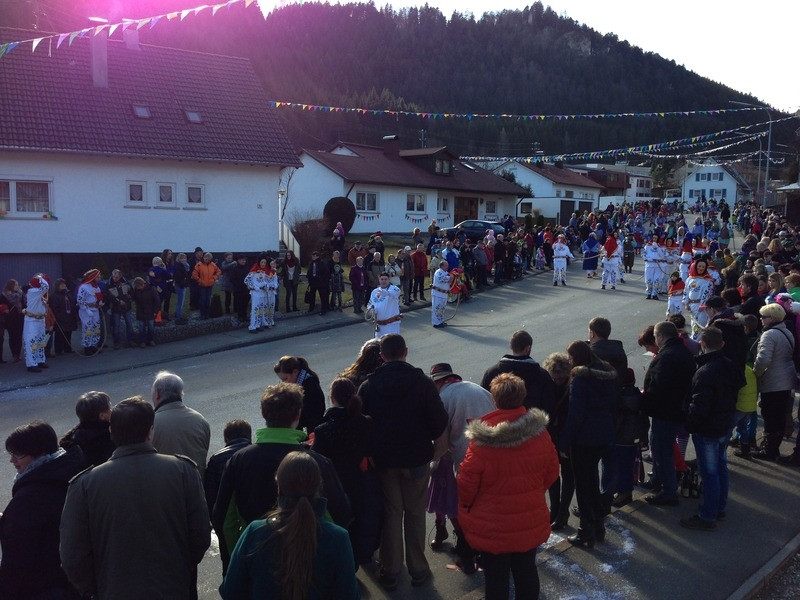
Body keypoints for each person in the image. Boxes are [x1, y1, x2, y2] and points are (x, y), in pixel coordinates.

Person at [60, 397, 211, 599]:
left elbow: (72, 555)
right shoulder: (183, 471)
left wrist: (97, 588)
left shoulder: (85, 484)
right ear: (150, 431)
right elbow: (200, 534)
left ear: (111, 431)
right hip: (172, 587)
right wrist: (180, 570)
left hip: (114, 590)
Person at [211, 382, 351, 567]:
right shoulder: (317, 461)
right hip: (309, 557)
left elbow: (224, 518)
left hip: (256, 557)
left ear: (263, 414)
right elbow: (340, 513)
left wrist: (240, 554)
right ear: (298, 415)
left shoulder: (238, 460)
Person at [357, 334, 448, 589]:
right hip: (417, 460)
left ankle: (391, 569)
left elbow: (362, 425)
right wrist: (435, 452)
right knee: (416, 514)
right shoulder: (423, 383)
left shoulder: (369, 386)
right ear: (405, 352)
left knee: (392, 513)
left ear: (382, 356)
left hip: (384, 462)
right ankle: (418, 569)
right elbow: (439, 422)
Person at [458, 373, 559, 600]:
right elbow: (552, 472)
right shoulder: (540, 434)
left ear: (495, 400)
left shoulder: (482, 441)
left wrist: (468, 507)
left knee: (496, 577)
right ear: (522, 397)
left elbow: (466, 484)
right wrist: (533, 491)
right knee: (527, 571)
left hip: (492, 522)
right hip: (529, 517)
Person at [219, 452, 359, 600]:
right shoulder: (338, 538)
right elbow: (349, 595)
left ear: (279, 489)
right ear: (319, 487)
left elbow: (230, 592)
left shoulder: (256, 532)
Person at [0, 421, 85, 599]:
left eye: (18, 454)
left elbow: (17, 561)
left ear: (39, 452)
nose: (12, 460)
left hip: (43, 588)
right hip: (77, 583)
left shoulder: (29, 499)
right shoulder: (74, 472)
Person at [427, 362, 494, 573]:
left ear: (438, 382)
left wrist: (431, 462)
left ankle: (468, 556)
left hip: (466, 459)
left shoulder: (443, 398)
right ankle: (485, 554)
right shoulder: (479, 390)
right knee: (485, 507)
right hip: (492, 454)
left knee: (465, 508)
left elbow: (441, 441)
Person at [313, 377, 380, 566]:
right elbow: (371, 450)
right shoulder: (365, 422)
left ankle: (346, 561)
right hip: (361, 480)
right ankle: (362, 556)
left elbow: (318, 460)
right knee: (362, 520)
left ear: (332, 398)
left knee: (341, 523)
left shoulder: (323, 429)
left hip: (335, 484)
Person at [681, 327, 741, 531]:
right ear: (722, 344)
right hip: (724, 423)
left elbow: (699, 405)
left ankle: (708, 516)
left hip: (708, 428)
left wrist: (690, 424)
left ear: (703, 344)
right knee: (720, 467)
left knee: (709, 473)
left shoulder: (705, 371)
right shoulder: (729, 365)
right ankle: (719, 507)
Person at [558, 341, 617, 548]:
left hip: (584, 439)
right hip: (604, 434)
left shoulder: (580, 379)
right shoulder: (607, 375)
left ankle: (586, 531)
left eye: (570, 357)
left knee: (583, 485)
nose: (569, 361)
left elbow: (575, 414)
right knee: (592, 481)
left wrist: (564, 442)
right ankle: (598, 526)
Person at [640, 321, 696, 506]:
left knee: (662, 451)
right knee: (659, 446)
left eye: (656, 336)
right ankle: (658, 481)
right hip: (675, 408)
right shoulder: (683, 352)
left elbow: (659, 386)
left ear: (661, 336)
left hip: (666, 411)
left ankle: (668, 491)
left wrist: (645, 399)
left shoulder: (667, 356)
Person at [204, 419, 252, 572]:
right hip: (250, 517)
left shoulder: (216, 459)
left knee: (229, 563)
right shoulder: (254, 454)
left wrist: (215, 522)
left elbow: (210, 495)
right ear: (249, 436)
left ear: (226, 438)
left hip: (224, 519)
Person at [752, 303, 796, 460]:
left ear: (772, 318)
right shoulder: (786, 331)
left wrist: (755, 373)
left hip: (773, 380)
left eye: (763, 317)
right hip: (786, 378)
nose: (761, 319)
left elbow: (763, 360)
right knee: (779, 415)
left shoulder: (769, 335)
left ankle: (769, 450)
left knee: (770, 416)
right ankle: (772, 447)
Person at [151, 371, 211, 479]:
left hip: (166, 485)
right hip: (197, 484)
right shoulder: (200, 420)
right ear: (180, 392)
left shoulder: (150, 424)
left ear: (157, 393)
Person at [481, 329, 556, 414]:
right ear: (527, 348)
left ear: (511, 346)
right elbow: (549, 408)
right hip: (531, 421)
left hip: (498, 421)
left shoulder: (492, 373)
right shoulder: (542, 375)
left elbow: (483, 401)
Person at [59, 391, 115, 467]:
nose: (112, 410)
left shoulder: (72, 438)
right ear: (102, 416)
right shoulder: (110, 438)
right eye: (110, 408)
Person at [273, 355, 326, 432]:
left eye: (286, 379)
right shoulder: (299, 382)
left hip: (313, 426)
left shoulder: (310, 386)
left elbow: (314, 415)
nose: (284, 383)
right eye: (282, 380)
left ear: (295, 372)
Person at [22, 274, 50, 372]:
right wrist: (40, 278)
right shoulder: (33, 291)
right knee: (32, 341)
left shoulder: (39, 293)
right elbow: (46, 287)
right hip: (32, 321)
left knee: (41, 341)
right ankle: (31, 364)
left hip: (40, 320)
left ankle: (40, 360)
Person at [684, 258, 716, 340]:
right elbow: (686, 291)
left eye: (703, 267)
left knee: (698, 327)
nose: (701, 268)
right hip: (691, 305)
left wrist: (702, 305)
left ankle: (695, 343)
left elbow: (707, 294)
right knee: (693, 325)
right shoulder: (689, 279)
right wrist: (686, 303)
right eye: (699, 266)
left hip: (700, 307)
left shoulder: (707, 281)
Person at [104, 269, 135, 349]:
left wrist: (130, 297)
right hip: (115, 308)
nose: (115, 278)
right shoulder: (108, 285)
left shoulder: (126, 282)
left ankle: (130, 341)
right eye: (113, 277)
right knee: (116, 326)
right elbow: (109, 296)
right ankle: (116, 343)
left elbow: (131, 291)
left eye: (116, 277)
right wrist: (118, 302)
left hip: (126, 307)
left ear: (120, 276)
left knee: (129, 324)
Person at [366, 272, 402, 339]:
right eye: (382, 279)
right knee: (379, 344)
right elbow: (370, 304)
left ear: (389, 280)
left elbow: (396, 293)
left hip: (391, 325)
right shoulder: (374, 292)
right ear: (379, 279)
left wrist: (386, 293)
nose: (384, 281)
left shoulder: (394, 288)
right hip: (379, 326)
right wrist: (371, 310)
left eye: (385, 279)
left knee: (392, 343)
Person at [76, 268, 103, 355]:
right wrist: (87, 308)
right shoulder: (83, 287)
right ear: (93, 277)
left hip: (95, 310)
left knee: (96, 327)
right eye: (98, 277)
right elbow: (80, 300)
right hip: (86, 311)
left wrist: (99, 303)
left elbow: (99, 298)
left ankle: (93, 344)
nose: (99, 278)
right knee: (88, 328)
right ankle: (87, 346)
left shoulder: (96, 287)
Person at [131, 276, 161, 348]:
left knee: (151, 326)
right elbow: (133, 298)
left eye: (138, 287)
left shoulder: (151, 289)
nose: (137, 288)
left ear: (142, 284)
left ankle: (151, 340)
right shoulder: (136, 290)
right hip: (140, 311)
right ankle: (142, 341)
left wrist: (155, 311)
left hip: (150, 310)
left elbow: (157, 301)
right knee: (141, 327)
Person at [1, 279, 24, 363]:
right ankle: (14, 354)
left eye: (17, 285)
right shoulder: (4, 295)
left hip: (19, 317)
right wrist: (4, 309)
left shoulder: (20, 294)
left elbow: (24, 304)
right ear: (11, 286)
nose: (17, 286)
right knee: (12, 336)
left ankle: (18, 354)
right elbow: (2, 305)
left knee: (19, 336)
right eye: (15, 285)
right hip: (10, 318)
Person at [192, 252, 221, 320]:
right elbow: (194, 274)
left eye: (209, 258)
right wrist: (199, 280)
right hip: (202, 285)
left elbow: (219, 271)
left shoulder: (213, 265)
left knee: (208, 300)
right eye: (206, 257)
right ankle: (202, 314)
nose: (207, 259)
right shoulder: (199, 264)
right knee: (203, 300)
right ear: (204, 257)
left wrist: (214, 278)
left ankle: (207, 314)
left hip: (210, 285)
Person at [244, 258, 269, 332]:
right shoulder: (253, 272)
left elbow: (265, 281)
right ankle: (252, 326)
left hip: (262, 293)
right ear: (259, 263)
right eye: (262, 262)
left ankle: (258, 324)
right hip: (256, 293)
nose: (263, 264)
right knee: (255, 309)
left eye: (264, 263)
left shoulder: (264, 272)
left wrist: (265, 286)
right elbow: (246, 280)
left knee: (260, 309)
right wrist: (254, 287)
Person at [306, 250, 331, 315]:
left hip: (320, 283)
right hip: (313, 282)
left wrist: (323, 280)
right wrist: (309, 279)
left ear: (318, 256)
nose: (313, 257)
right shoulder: (311, 263)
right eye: (312, 256)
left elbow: (327, 273)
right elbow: (309, 272)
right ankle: (311, 307)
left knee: (323, 296)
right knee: (312, 295)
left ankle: (324, 309)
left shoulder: (322, 263)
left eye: (314, 256)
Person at [431, 259, 453, 329]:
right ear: (442, 266)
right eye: (446, 265)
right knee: (437, 308)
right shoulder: (438, 272)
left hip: (444, 294)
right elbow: (441, 279)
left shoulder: (446, 272)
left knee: (442, 309)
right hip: (438, 294)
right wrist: (450, 277)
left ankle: (441, 321)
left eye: (447, 265)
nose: (447, 266)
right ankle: (436, 323)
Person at [230, 254, 251, 323]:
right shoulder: (234, 269)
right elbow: (232, 279)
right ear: (238, 260)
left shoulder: (247, 268)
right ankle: (240, 316)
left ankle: (244, 316)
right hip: (238, 290)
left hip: (246, 289)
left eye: (244, 260)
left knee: (245, 303)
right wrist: (237, 286)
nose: (244, 261)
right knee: (239, 303)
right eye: (242, 260)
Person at [173, 252, 191, 323]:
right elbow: (178, 276)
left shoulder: (186, 266)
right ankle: (179, 317)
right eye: (182, 258)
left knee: (181, 302)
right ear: (179, 259)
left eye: (184, 258)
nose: (183, 259)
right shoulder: (178, 266)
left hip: (183, 284)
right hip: (180, 285)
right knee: (180, 302)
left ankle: (179, 315)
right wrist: (182, 283)